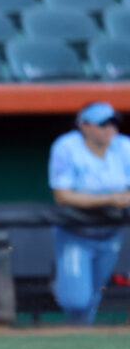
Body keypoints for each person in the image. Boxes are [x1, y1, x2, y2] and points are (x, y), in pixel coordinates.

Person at [48, 101, 130, 324]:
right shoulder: (66, 147)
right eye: (103, 124)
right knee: (76, 300)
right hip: (75, 233)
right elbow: (63, 195)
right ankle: (61, 284)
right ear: (84, 126)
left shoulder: (124, 146)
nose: (110, 129)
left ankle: (81, 342)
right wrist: (111, 198)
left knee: (94, 295)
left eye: (114, 123)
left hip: (110, 233)